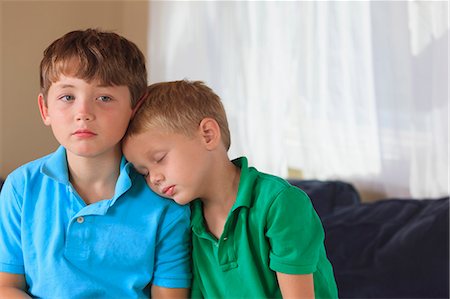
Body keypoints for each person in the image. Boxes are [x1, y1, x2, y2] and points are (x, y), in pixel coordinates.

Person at [0, 29, 191, 298]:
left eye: (104, 98)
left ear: (135, 107)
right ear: (45, 110)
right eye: (67, 97)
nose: (84, 114)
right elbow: (6, 286)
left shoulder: (165, 200)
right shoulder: (21, 187)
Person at [122, 80, 339, 298]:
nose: (155, 178)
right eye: (145, 173)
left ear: (208, 134)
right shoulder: (185, 218)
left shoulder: (280, 203)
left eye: (159, 159)